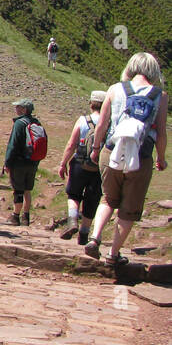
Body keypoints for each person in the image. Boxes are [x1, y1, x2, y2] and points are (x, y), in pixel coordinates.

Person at [82, 52, 169, 281]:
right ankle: (113, 255)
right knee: (128, 209)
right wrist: (161, 158)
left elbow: (102, 123)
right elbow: (161, 131)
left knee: (108, 199)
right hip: (140, 157)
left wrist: (95, 148)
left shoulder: (115, 89)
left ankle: (95, 238)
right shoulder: (160, 95)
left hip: (111, 152)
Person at [57, 90, 106, 243]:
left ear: (91, 104)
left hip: (79, 163)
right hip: (99, 168)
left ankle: (72, 220)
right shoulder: (109, 123)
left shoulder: (83, 120)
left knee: (73, 194)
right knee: (92, 200)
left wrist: (63, 163)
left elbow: (72, 144)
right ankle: (84, 234)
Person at [2, 99, 45, 226]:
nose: (16, 109)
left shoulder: (19, 124)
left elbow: (13, 145)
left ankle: (15, 216)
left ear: (24, 109)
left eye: (18, 107)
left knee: (18, 190)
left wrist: (7, 163)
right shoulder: (37, 123)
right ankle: (26, 217)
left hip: (19, 162)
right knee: (28, 189)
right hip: (33, 162)